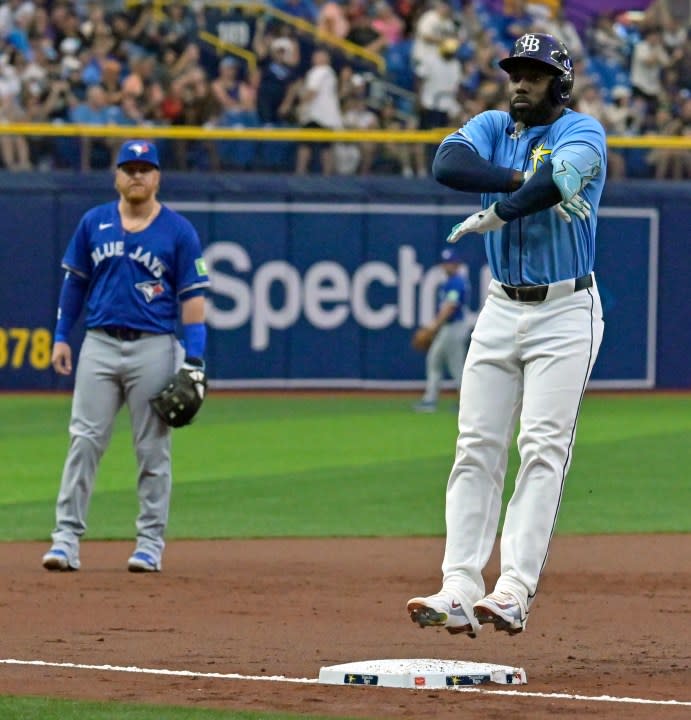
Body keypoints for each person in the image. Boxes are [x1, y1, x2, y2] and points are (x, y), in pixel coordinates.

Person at [407, 33, 607, 637]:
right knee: (475, 445)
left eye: (536, 74)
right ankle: (459, 586)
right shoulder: (495, 124)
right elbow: (447, 164)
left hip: (566, 308)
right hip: (500, 306)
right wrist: (521, 176)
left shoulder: (584, 133)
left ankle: (514, 589)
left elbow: (556, 185)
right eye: (516, 72)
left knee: (542, 448)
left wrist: (503, 205)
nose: (521, 82)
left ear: (561, 84)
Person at [41, 139, 210, 574]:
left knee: (153, 449)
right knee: (83, 441)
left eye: (145, 168)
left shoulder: (178, 231)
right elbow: (74, 284)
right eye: (129, 167)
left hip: (153, 345)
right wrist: (62, 335)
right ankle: (65, 540)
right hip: (98, 343)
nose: (137, 175)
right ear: (116, 175)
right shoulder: (93, 222)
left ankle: (150, 543)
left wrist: (195, 359)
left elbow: (193, 301)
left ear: (157, 177)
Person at [413, 246, 473, 413]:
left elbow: (449, 308)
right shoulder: (451, 281)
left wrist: (433, 327)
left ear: (457, 264)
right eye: (445, 263)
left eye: (451, 263)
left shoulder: (456, 282)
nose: (447, 266)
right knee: (435, 360)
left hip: (454, 328)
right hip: (449, 328)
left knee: (455, 366)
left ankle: (465, 402)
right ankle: (430, 400)